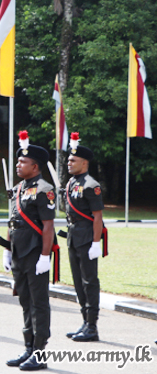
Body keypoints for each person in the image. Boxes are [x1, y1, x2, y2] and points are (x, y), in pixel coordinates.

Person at [4, 131, 55, 371]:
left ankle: (40, 351)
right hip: (19, 252)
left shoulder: (44, 189)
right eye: (17, 161)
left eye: (22, 161)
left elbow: (47, 226)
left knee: (38, 303)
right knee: (25, 300)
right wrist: (7, 250)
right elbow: (11, 221)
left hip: (35, 253)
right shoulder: (17, 189)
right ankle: (28, 347)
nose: (18, 164)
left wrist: (45, 256)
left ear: (35, 166)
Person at [63, 132, 105, 342]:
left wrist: (96, 243)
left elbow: (97, 217)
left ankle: (92, 326)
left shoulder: (91, 185)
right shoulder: (71, 183)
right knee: (78, 282)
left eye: (73, 160)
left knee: (89, 281)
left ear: (84, 162)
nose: (68, 163)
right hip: (73, 236)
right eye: (68, 159)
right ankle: (84, 321)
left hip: (87, 237)